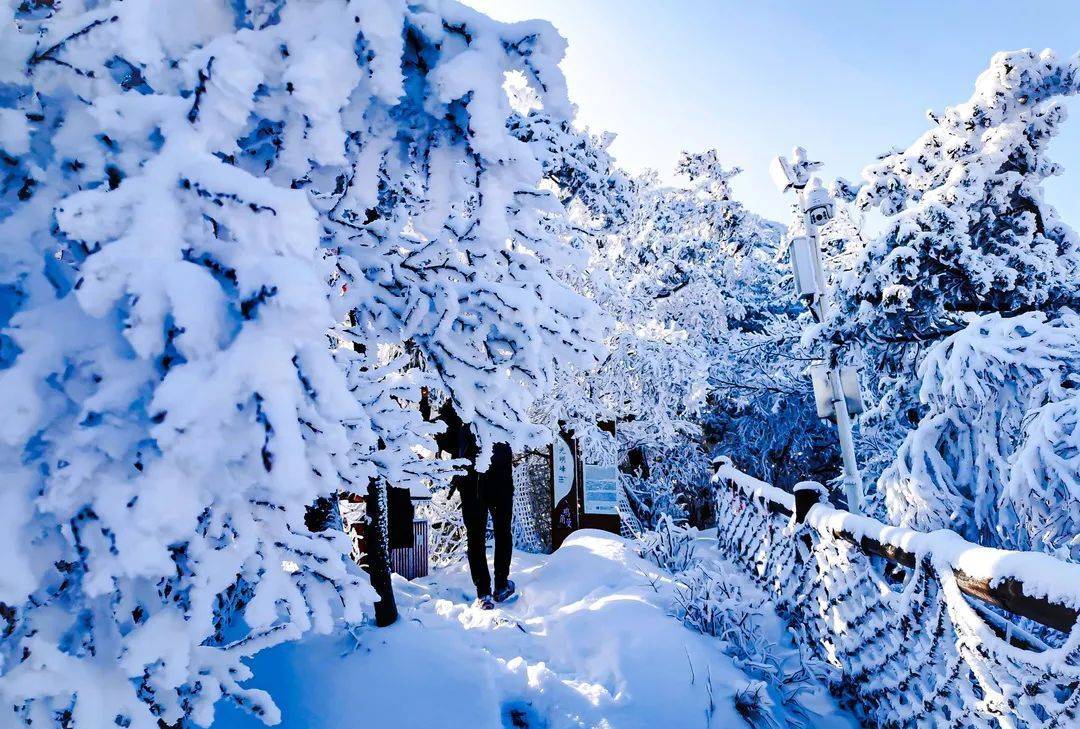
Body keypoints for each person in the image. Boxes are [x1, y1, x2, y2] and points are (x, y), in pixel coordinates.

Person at [435, 400, 516, 610]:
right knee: (502, 532)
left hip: (472, 482)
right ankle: (501, 584)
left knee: (476, 537)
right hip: (500, 478)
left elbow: (444, 439)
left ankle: (483, 592)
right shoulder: (502, 397)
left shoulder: (459, 399)